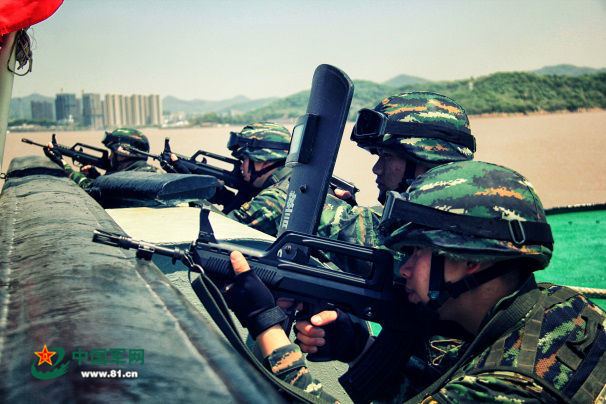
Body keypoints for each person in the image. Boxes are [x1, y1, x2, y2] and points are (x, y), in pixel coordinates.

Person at [223, 161, 606, 403]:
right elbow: (438, 386)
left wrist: (267, 326)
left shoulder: (508, 387)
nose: (404, 269)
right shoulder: (559, 305)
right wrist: (360, 348)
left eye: (415, 252)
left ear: (467, 260)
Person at [44, 128, 161, 190]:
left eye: (113, 153)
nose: (110, 157)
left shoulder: (128, 178)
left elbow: (89, 187)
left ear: (124, 154)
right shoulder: (152, 171)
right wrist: (96, 176)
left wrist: (63, 165)